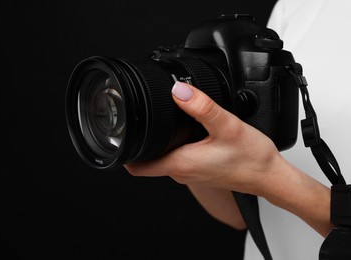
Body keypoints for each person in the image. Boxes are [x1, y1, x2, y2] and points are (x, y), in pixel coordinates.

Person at [124, 0, 351, 259]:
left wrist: (270, 178)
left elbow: (264, 179)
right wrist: (187, 131)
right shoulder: (298, 6)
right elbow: (238, 215)